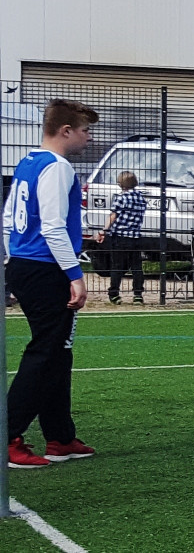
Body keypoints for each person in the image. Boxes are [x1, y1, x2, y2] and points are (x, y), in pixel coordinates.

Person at [6, 99, 99, 468]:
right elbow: (53, 227)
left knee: (58, 351)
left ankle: (59, 437)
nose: (89, 138)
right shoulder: (58, 167)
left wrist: (11, 259)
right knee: (46, 351)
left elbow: (8, 219)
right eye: (85, 131)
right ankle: (8, 435)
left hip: (27, 264)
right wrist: (75, 276)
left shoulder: (28, 162)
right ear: (66, 131)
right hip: (45, 268)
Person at [102, 171, 149, 304]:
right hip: (135, 236)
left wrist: (104, 230)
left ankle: (114, 293)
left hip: (120, 236)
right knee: (136, 267)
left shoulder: (121, 198)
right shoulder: (140, 198)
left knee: (117, 266)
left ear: (120, 183)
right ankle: (138, 294)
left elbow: (113, 216)